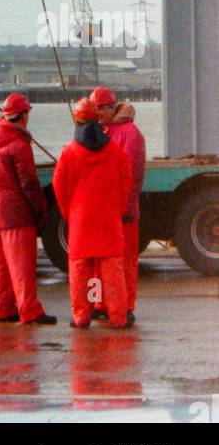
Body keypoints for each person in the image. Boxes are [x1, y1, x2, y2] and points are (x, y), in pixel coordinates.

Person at [53, 97, 133, 328]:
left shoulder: (68, 152)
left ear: (76, 120)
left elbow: (59, 186)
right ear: (97, 119)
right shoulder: (114, 150)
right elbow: (125, 181)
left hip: (81, 220)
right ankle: (118, 316)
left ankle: (83, 315)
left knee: (82, 270)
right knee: (112, 269)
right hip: (108, 219)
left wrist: (69, 212)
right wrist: (117, 208)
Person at [0, 92, 56, 324]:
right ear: (23, 116)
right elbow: (29, 184)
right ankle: (29, 310)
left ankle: (2, 309)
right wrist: (41, 211)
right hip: (17, 213)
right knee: (22, 265)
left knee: (0, 264)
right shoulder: (19, 145)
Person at [91, 87, 146, 324]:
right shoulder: (107, 132)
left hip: (121, 212)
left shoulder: (128, 134)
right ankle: (100, 303)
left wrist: (124, 209)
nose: (96, 114)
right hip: (108, 211)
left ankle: (123, 305)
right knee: (101, 261)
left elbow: (132, 176)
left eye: (98, 109)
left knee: (123, 262)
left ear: (109, 108)